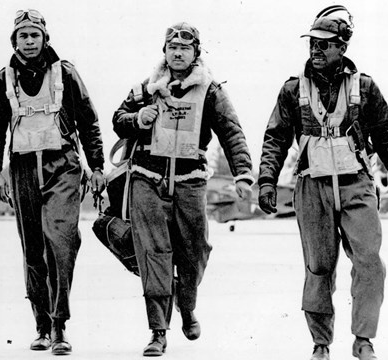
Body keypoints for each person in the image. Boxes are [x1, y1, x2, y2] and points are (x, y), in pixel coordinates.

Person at [257, 5, 388, 360]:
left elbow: (386, 136)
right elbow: (275, 138)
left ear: (342, 47)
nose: (316, 49)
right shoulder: (292, 90)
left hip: (356, 185)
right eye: (312, 43)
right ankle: (321, 344)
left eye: (325, 44)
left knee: (370, 261)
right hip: (312, 187)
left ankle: (363, 340)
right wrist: (266, 180)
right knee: (319, 268)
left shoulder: (365, 88)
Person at [113, 22, 253, 357]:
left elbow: (232, 133)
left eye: (185, 48)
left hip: (191, 182)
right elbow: (118, 118)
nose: (177, 53)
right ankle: (158, 331)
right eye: (172, 47)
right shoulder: (146, 88)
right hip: (148, 178)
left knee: (195, 252)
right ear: (164, 51)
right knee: (154, 253)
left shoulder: (211, 91)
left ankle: (187, 306)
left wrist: (244, 174)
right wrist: (137, 119)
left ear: (195, 53)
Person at [0, 9, 104, 356]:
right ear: (15, 41)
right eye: (23, 36)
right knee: (32, 247)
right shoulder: (2, 79)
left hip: (62, 165)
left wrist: (96, 166)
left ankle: (59, 324)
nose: (29, 41)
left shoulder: (65, 73)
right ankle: (40, 323)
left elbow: (89, 120)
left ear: (45, 38)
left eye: (35, 35)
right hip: (22, 167)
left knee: (61, 241)